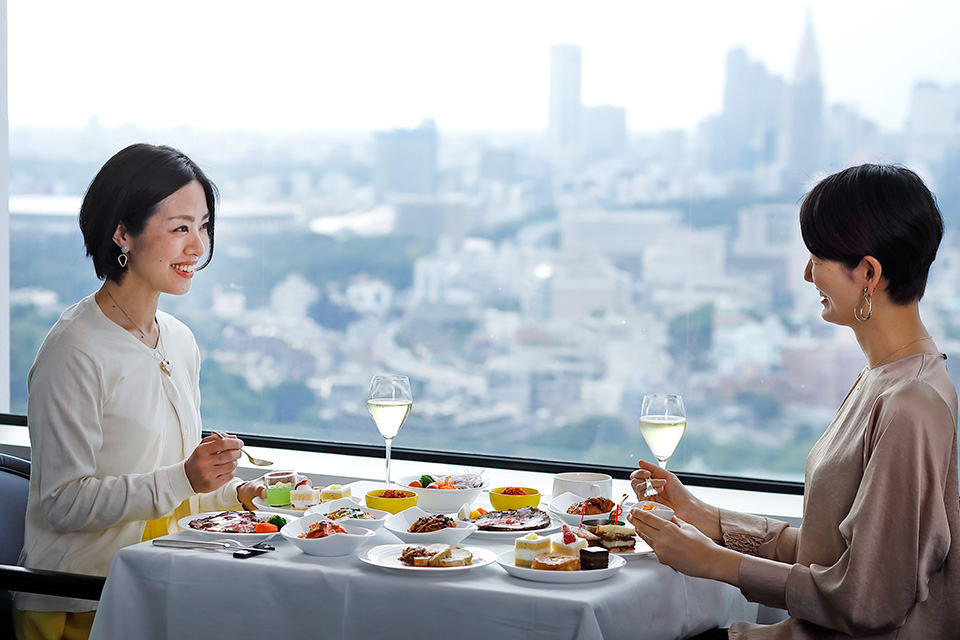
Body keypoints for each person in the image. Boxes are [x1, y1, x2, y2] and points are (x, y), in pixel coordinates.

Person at [628, 164, 959, 639]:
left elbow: (870, 599)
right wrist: (704, 517)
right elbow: (831, 553)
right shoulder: (884, 379)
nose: (807, 274)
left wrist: (715, 562)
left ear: (868, 273)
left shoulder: (911, 403)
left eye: (817, 257)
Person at [15, 143, 265, 640]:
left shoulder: (178, 339)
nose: (198, 246)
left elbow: (170, 484)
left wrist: (233, 493)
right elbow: (63, 503)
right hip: (84, 601)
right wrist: (186, 477)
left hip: (162, 581)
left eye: (204, 226)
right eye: (180, 228)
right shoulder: (74, 349)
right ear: (122, 233)